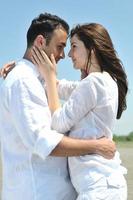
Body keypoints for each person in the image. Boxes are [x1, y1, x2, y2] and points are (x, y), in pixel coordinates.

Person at [0, 14, 116, 200]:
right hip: (38, 192)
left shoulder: (36, 80)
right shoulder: (23, 81)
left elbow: (63, 88)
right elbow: (43, 142)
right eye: (60, 46)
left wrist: (44, 74)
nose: (64, 54)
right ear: (40, 42)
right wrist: (96, 146)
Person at [31, 23, 128, 199]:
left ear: (92, 48)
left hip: (98, 188)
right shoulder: (105, 81)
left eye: (74, 46)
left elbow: (58, 123)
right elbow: (60, 87)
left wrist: (50, 77)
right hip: (104, 185)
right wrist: (25, 68)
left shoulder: (94, 83)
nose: (69, 54)